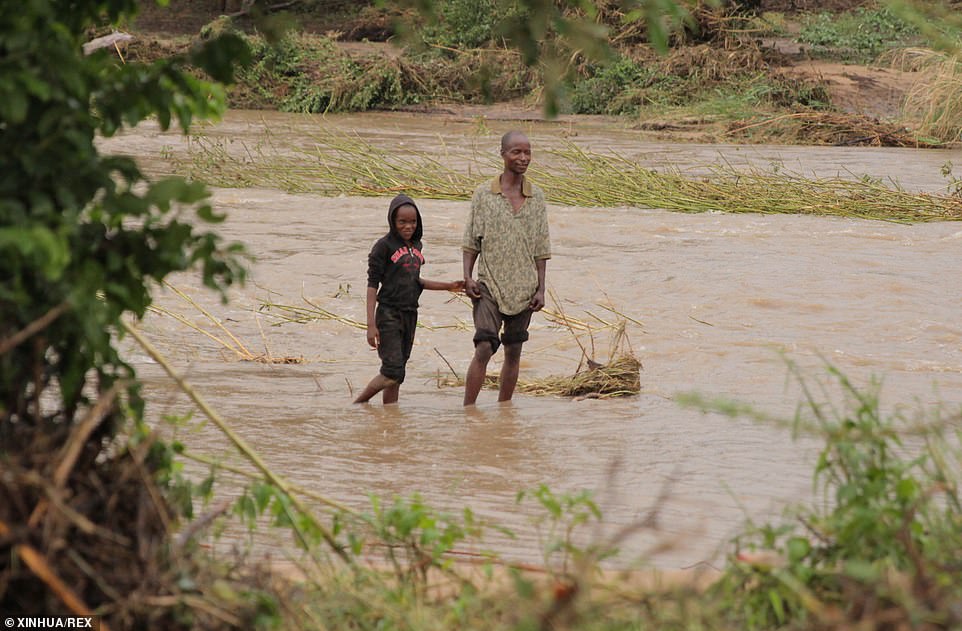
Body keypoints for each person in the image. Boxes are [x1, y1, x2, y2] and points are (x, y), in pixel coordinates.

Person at [461, 131, 551, 406]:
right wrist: (467, 277)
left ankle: (504, 411)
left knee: (513, 350)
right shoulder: (484, 195)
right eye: (516, 152)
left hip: (524, 288)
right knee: (485, 347)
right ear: (503, 154)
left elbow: (541, 248)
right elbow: (470, 241)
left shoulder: (536, 197)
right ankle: (469, 412)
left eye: (527, 152)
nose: (523, 158)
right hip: (489, 285)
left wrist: (541, 288)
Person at [354, 194, 463, 404]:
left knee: (398, 372)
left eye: (412, 221)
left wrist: (449, 286)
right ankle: (358, 404)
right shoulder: (383, 246)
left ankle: (390, 415)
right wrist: (371, 324)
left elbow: (416, 281)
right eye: (402, 222)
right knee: (392, 371)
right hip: (388, 314)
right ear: (393, 222)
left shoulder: (417, 246)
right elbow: (372, 285)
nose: (408, 226)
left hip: (410, 314)